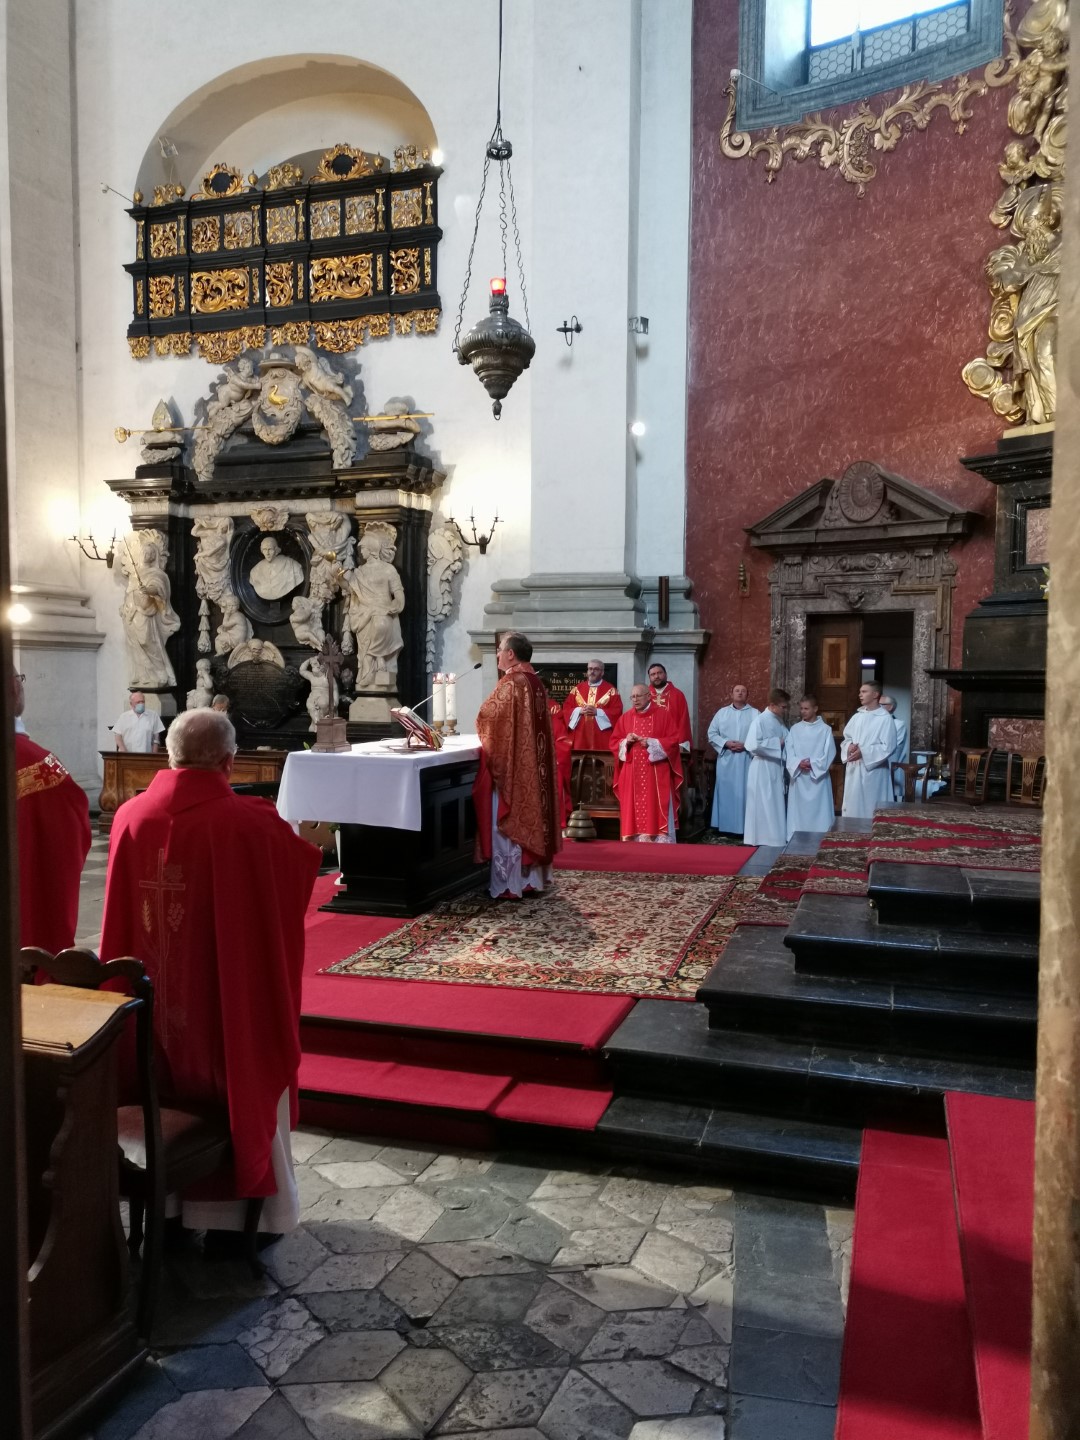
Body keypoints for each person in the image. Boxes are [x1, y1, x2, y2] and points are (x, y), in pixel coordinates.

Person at [99, 709, 320, 1235]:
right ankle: (241, 1222)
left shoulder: (129, 816)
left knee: (157, 1071)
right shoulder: (252, 824)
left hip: (149, 1004)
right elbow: (292, 886)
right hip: (223, 1002)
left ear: (168, 754)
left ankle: (170, 1214)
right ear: (228, 761)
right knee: (241, 1064)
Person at [474, 632, 560, 898]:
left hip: (515, 770)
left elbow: (488, 718)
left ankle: (510, 884)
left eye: (500, 649)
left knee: (509, 820)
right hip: (532, 766)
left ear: (511, 654)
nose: (498, 654)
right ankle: (530, 880)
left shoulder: (511, 683)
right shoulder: (535, 681)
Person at [13, 668, 91, 952]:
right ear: (14, 690)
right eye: (19, 679)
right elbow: (73, 831)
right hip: (22, 929)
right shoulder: (43, 767)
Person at [609, 683, 683, 843]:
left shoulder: (663, 715)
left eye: (639, 696)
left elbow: (673, 741)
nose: (635, 700)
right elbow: (614, 742)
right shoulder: (625, 718)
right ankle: (634, 841)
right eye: (632, 697)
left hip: (656, 772)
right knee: (632, 808)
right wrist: (625, 741)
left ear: (649, 696)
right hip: (631, 772)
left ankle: (659, 841)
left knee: (655, 805)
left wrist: (651, 743)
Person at [706, 684, 759, 834]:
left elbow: (761, 736)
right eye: (737, 691)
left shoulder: (755, 713)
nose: (740, 693)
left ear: (747, 695)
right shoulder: (722, 713)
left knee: (746, 793)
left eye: (743, 691)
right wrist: (726, 743)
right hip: (727, 759)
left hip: (747, 759)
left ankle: (745, 828)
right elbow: (712, 733)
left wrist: (746, 745)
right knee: (727, 793)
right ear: (731, 694)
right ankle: (726, 827)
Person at [841, 682, 898, 818]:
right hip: (855, 768)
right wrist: (849, 746)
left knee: (870, 806)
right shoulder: (857, 717)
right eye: (860, 692)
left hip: (874, 771)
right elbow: (846, 738)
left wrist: (864, 752)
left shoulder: (885, 719)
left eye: (864, 691)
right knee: (853, 805)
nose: (860, 695)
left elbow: (888, 746)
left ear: (875, 694)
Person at [785, 694, 837, 838]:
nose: (803, 711)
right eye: (801, 708)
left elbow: (829, 752)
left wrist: (813, 764)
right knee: (798, 811)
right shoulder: (795, 729)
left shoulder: (825, 729)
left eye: (806, 708)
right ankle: (796, 837)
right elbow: (789, 751)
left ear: (815, 709)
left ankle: (821, 836)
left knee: (820, 809)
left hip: (818, 778)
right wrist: (798, 763)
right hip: (799, 776)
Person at [743, 688, 790, 846]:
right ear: (772, 705)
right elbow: (752, 745)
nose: (785, 710)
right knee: (762, 803)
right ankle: (759, 838)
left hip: (775, 766)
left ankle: (775, 837)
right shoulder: (760, 720)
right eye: (783, 707)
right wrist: (777, 742)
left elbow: (788, 738)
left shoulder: (778, 720)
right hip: (762, 766)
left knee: (774, 803)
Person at [562, 659, 623, 751]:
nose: (592, 672)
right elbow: (566, 709)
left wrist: (597, 712)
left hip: (601, 736)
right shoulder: (577, 689)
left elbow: (617, 711)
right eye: (590, 669)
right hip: (580, 735)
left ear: (602, 672)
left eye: (596, 669)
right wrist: (579, 711)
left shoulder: (611, 690)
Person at [647, 662, 693, 749]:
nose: (656, 676)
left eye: (659, 673)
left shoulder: (677, 695)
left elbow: (684, 722)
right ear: (649, 677)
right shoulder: (644, 695)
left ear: (666, 674)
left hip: (672, 743)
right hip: (649, 743)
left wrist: (683, 747)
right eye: (653, 674)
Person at [248, 535, 304, 602]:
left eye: (270, 549)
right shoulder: (255, 571)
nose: (267, 553)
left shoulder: (292, 565)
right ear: (261, 550)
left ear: (276, 550)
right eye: (265, 550)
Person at [548, 697, 574, 833]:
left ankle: (557, 824)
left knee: (557, 777)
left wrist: (550, 757)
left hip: (552, 763)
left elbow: (563, 744)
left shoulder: (555, 722)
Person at [881, 694, 908, 803]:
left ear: (890, 707)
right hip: (873, 763)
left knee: (889, 797)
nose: (878, 707)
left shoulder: (898, 724)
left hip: (890, 765)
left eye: (881, 704)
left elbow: (892, 747)